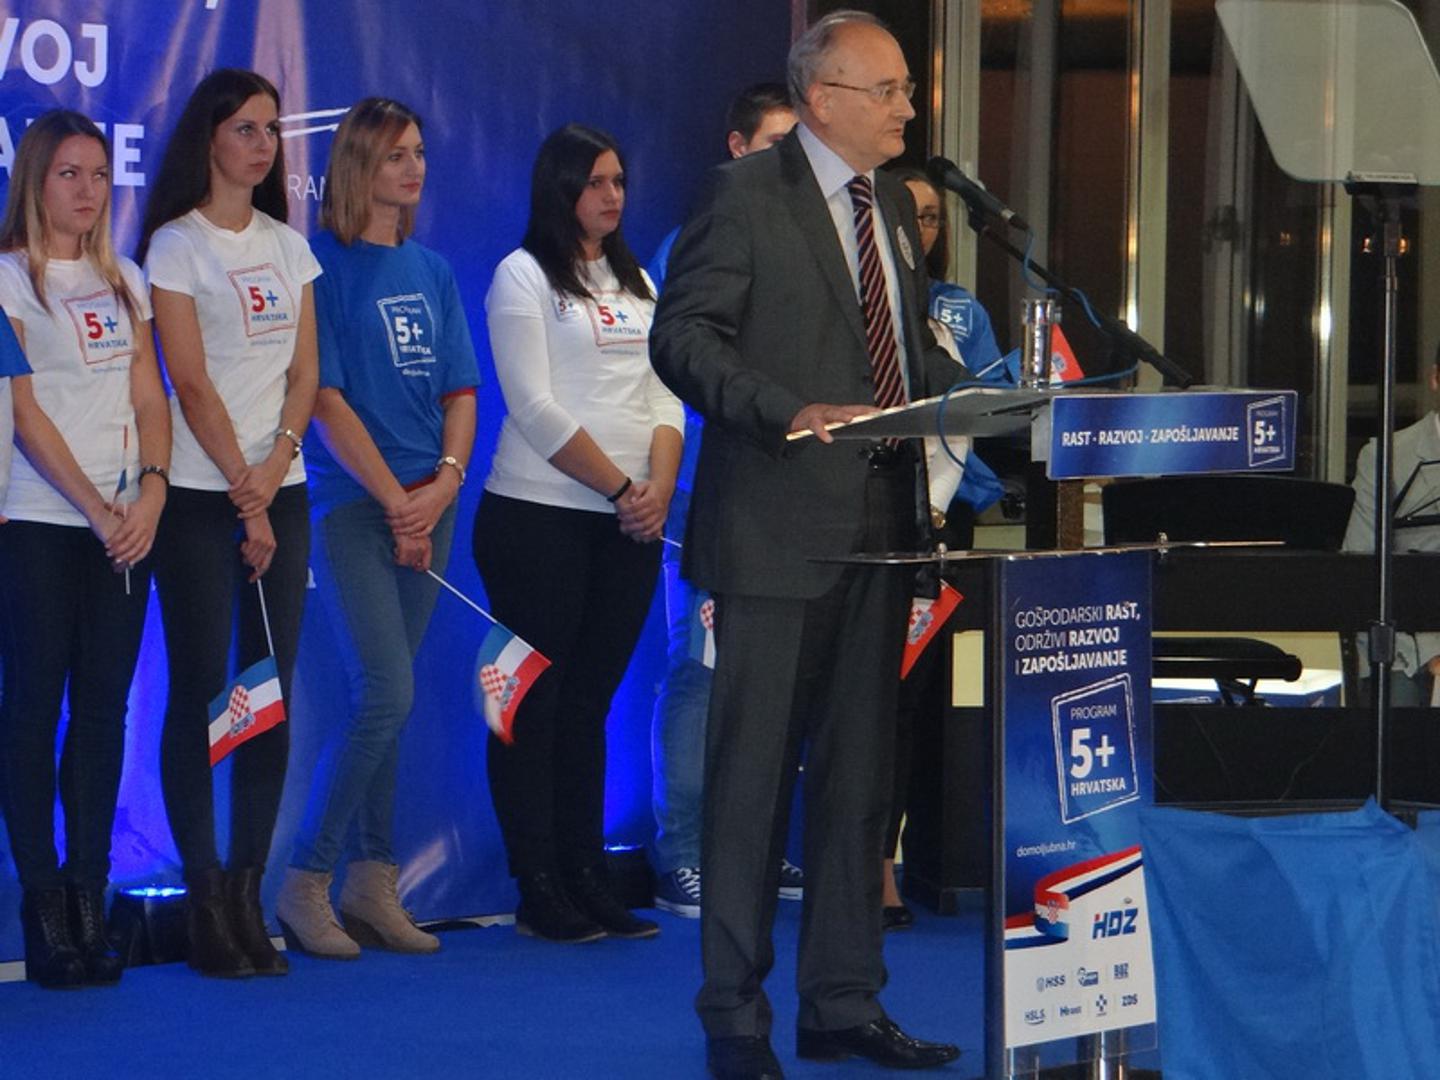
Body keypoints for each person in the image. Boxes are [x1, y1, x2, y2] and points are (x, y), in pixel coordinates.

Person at [651, 11, 963, 1077]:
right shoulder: (743, 195)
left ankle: (843, 1003)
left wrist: (986, 399)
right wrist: (786, 410)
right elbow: (682, 338)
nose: (909, 107)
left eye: (908, 89)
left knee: (858, 789)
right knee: (749, 789)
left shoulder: (891, 209)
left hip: (883, 536)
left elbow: (899, 360)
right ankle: (735, 1019)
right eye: (891, 89)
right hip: (775, 534)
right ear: (824, 97)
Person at [275, 98, 479, 959]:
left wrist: (444, 483)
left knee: (386, 703)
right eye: (397, 155)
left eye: (420, 153)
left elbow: (461, 390)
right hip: (356, 506)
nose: (415, 168)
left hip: (433, 501)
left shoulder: (433, 269)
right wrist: (397, 500)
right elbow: (323, 399)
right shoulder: (320, 265)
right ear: (359, 164)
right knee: (386, 692)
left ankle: (374, 878)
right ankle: (305, 880)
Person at [475, 123, 683, 944]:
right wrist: (625, 489)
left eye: (619, 180)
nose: (612, 195)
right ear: (560, 188)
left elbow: (666, 396)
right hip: (537, 518)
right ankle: (538, 883)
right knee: (534, 703)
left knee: (590, 702)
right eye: (595, 181)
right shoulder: (521, 276)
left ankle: (587, 873)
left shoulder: (638, 281)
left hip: (630, 523)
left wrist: (655, 490)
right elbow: (532, 406)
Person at [139, 68, 320, 979]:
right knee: (203, 688)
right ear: (208, 138)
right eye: (246, 128)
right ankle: (205, 898)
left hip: (279, 487)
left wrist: (273, 470)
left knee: (267, 693)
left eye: (272, 129)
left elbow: (305, 374)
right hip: (201, 498)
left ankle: (250, 892)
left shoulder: (290, 246)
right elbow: (189, 380)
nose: (263, 144)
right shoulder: (176, 245)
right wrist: (243, 491)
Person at [0, 110, 169, 989]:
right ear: (34, 180)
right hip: (39, 523)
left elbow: (150, 399)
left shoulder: (125, 280)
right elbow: (24, 416)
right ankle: (42, 906)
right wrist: (98, 513)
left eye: (100, 174)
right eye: (69, 173)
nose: (89, 190)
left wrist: (153, 492)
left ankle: (89, 895)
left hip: (126, 526)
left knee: (105, 714)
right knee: (33, 710)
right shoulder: (7, 281)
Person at [649, 82, 801, 919]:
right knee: (701, 673)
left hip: (785, 493)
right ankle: (682, 853)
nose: (793, 161)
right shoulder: (704, 236)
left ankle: (751, 849)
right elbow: (678, 373)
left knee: (771, 678)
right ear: (738, 149)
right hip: (704, 494)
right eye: (777, 144)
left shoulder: (807, 235)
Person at [879, 165, 1006, 931]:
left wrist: (948, 500)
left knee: (920, 701)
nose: (921, 230)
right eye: (909, 213)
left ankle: (905, 860)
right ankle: (865, 865)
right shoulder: (858, 299)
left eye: (932, 218)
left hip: (941, 527)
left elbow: (981, 410)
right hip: (870, 524)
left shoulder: (956, 313)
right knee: (875, 704)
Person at [1343, 344, 1440, 705]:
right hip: (1409, 648)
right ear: (1435, 379)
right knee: (1399, 701)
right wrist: (1431, 655)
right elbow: (1361, 570)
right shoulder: (1388, 458)